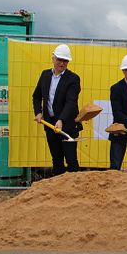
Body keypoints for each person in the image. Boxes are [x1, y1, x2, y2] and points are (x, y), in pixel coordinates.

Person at [33, 44, 82, 175]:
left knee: (71, 160)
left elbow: (71, 102)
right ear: (53, 58)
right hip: (50, 124)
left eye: (65, 60)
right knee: (57, 159)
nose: (62, 63)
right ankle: (59, 191)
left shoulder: (73, 79)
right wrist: (38, 112)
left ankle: (75, 190)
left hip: (68, 125)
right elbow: (36, 96)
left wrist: (61, 120)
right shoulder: (45, 75)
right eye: (59, 59)